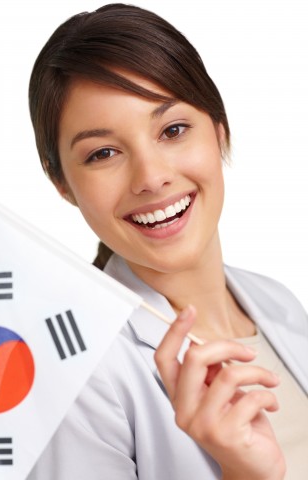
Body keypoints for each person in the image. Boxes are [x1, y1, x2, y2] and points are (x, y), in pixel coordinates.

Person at [26, 4, 308, 479]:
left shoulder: (276, 300)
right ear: (63, 185)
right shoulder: (75, 376)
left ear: (219, 130)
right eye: (103, 153)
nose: (152, 177)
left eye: (173, 130)